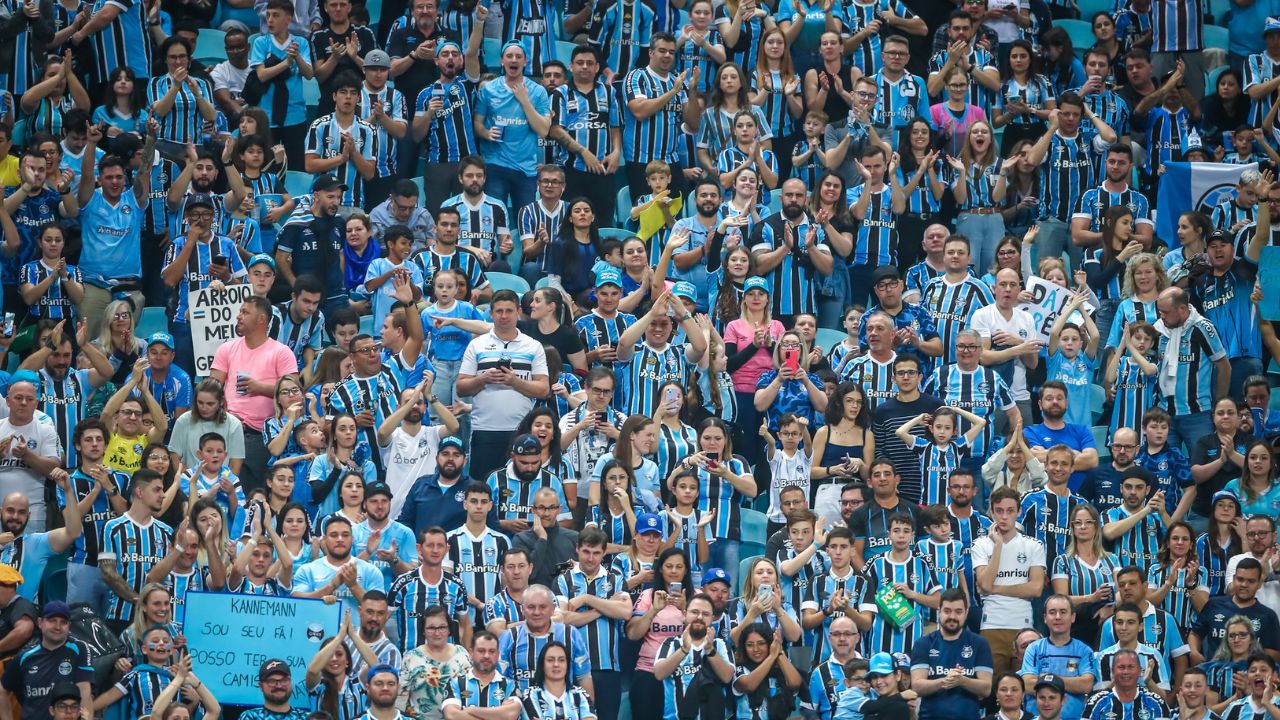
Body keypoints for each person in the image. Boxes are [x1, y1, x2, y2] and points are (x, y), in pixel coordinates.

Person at [208, 295, 300, 495]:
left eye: (245, 312)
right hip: (229, 431)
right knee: (226, 493)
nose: (239, 316)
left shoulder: (281, 352)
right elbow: (211, 389)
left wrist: (260, 388)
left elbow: (295, 392)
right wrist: (226, 416)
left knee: (257, 495)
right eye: (240, 312)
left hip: (263, 435)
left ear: (261, 320)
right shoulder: (226, 349)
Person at [456, 290, 551, 480]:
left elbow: (543, 389)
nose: (504, 316)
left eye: (509, 310)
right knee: (482, 488)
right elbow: (461, 387)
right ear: (491, 313)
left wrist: (514, 381)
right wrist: (483, 379)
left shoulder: (533, 346)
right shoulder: (477, 345)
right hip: (484, 429)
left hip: (521, 430)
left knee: (522, 486)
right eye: (499, 311)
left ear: (518, 311)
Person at [973, 486, 1047, 680]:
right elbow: (985, 583)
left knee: (1025, 684)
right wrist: (997, 546)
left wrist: (995, 589)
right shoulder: (981, 544)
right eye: (999, 511)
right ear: (991, 511)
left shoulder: (1034, 545)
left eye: (1010, 511)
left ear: (1019, 512)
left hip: (1023, 626)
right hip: (992, 627)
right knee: (993, 688)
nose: (1004, 517)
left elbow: (1036, 588)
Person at [0, 600, 91, 720]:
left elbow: (85, 690)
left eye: (63, 622)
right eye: (52, 621)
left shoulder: (79, 649)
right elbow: (2, 690)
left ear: (69, 626)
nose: (58, 627)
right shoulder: (24, 656)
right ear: (40, 622)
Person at [910, 588, 993, 720]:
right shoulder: (923, 643)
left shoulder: (979, 643)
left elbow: (986, 688)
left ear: (966, 613)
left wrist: (962, 681)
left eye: (958, 612)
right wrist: (944, 681)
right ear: (939, 612)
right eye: (947, 611)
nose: (952, 617)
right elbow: (917, 687)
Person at [293, 514, 386, 628]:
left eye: (345, 535)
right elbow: (296, 603)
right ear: (325, 540)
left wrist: (353, 586)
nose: (340, 539)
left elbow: (379, 609)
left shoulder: (371, 571)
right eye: (334, 535)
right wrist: (331, 587)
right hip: (319, 638)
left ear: (352, 540)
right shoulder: (307, 570)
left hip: (359, 639)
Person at [0, 376, 64, 533]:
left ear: (36, 404)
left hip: (32, 512)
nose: (23, 403)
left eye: (29, 399)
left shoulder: (46, 430)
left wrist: (27, 455)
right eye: (18, 398)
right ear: (8, 401)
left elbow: (54, 470)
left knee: (30, 557)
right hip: (0, 509)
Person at [388, 526, 468, 651]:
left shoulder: (456, 586)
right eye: (430, 545)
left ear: (447, 549)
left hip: (446, 663)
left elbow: (465, 625)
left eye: (440, 546)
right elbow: (381, 620)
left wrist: (464, 655)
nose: (435, 550)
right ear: (419, 549)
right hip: (410, 663)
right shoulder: (403, 584)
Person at [1019, 596, 1099, 720]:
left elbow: (1086, 685)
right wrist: (1072, 682)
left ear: (1073, 617)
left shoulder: (1084, 650)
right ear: (1045, 618)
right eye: (1052, 612)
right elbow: (1028, 685)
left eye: (1063, 612)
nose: (1057, 617)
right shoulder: (1034, 649)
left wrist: (1045, 678)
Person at [1192, 558, 1280, 664]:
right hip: (1214, 675)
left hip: (1248, 678)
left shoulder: (1268, 616)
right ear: (1234, 579)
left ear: (1259, 584)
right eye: (1240, 579)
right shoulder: (1214, 605)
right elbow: (1195, 634)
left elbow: (1273, 653)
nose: (1244, 584)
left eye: (1251, 581)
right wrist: (1194, 652)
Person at [403, 605, 473, 719]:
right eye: (431, 628)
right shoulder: (411, 657)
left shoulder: (462, 654)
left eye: (442, 627)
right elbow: (401, 696)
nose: (437, 633)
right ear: (423, 631)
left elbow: (470, 691)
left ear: (449, 629)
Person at [441, 631, 522, 720]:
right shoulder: (455, 683)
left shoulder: (510, 685)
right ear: (471, 653)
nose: (486, 656)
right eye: (481, 651)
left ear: (498, 654)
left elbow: (511, 715)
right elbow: (452, 715)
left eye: (492, 651)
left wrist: (470, 710)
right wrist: (498, 714)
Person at [1080, 650, 1170, 720]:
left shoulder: (1156, 703)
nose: (1126, 672)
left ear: (1139, 671)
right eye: (1121, 667)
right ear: (1113, 671)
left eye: (1131, 667)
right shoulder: (1096, 703)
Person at [241, 658, 312, 720]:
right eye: (272, 681)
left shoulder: (305, 717)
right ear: (261, 686)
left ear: (290, 682)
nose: (279, 686)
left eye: (284, 680)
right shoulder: (251, 716)